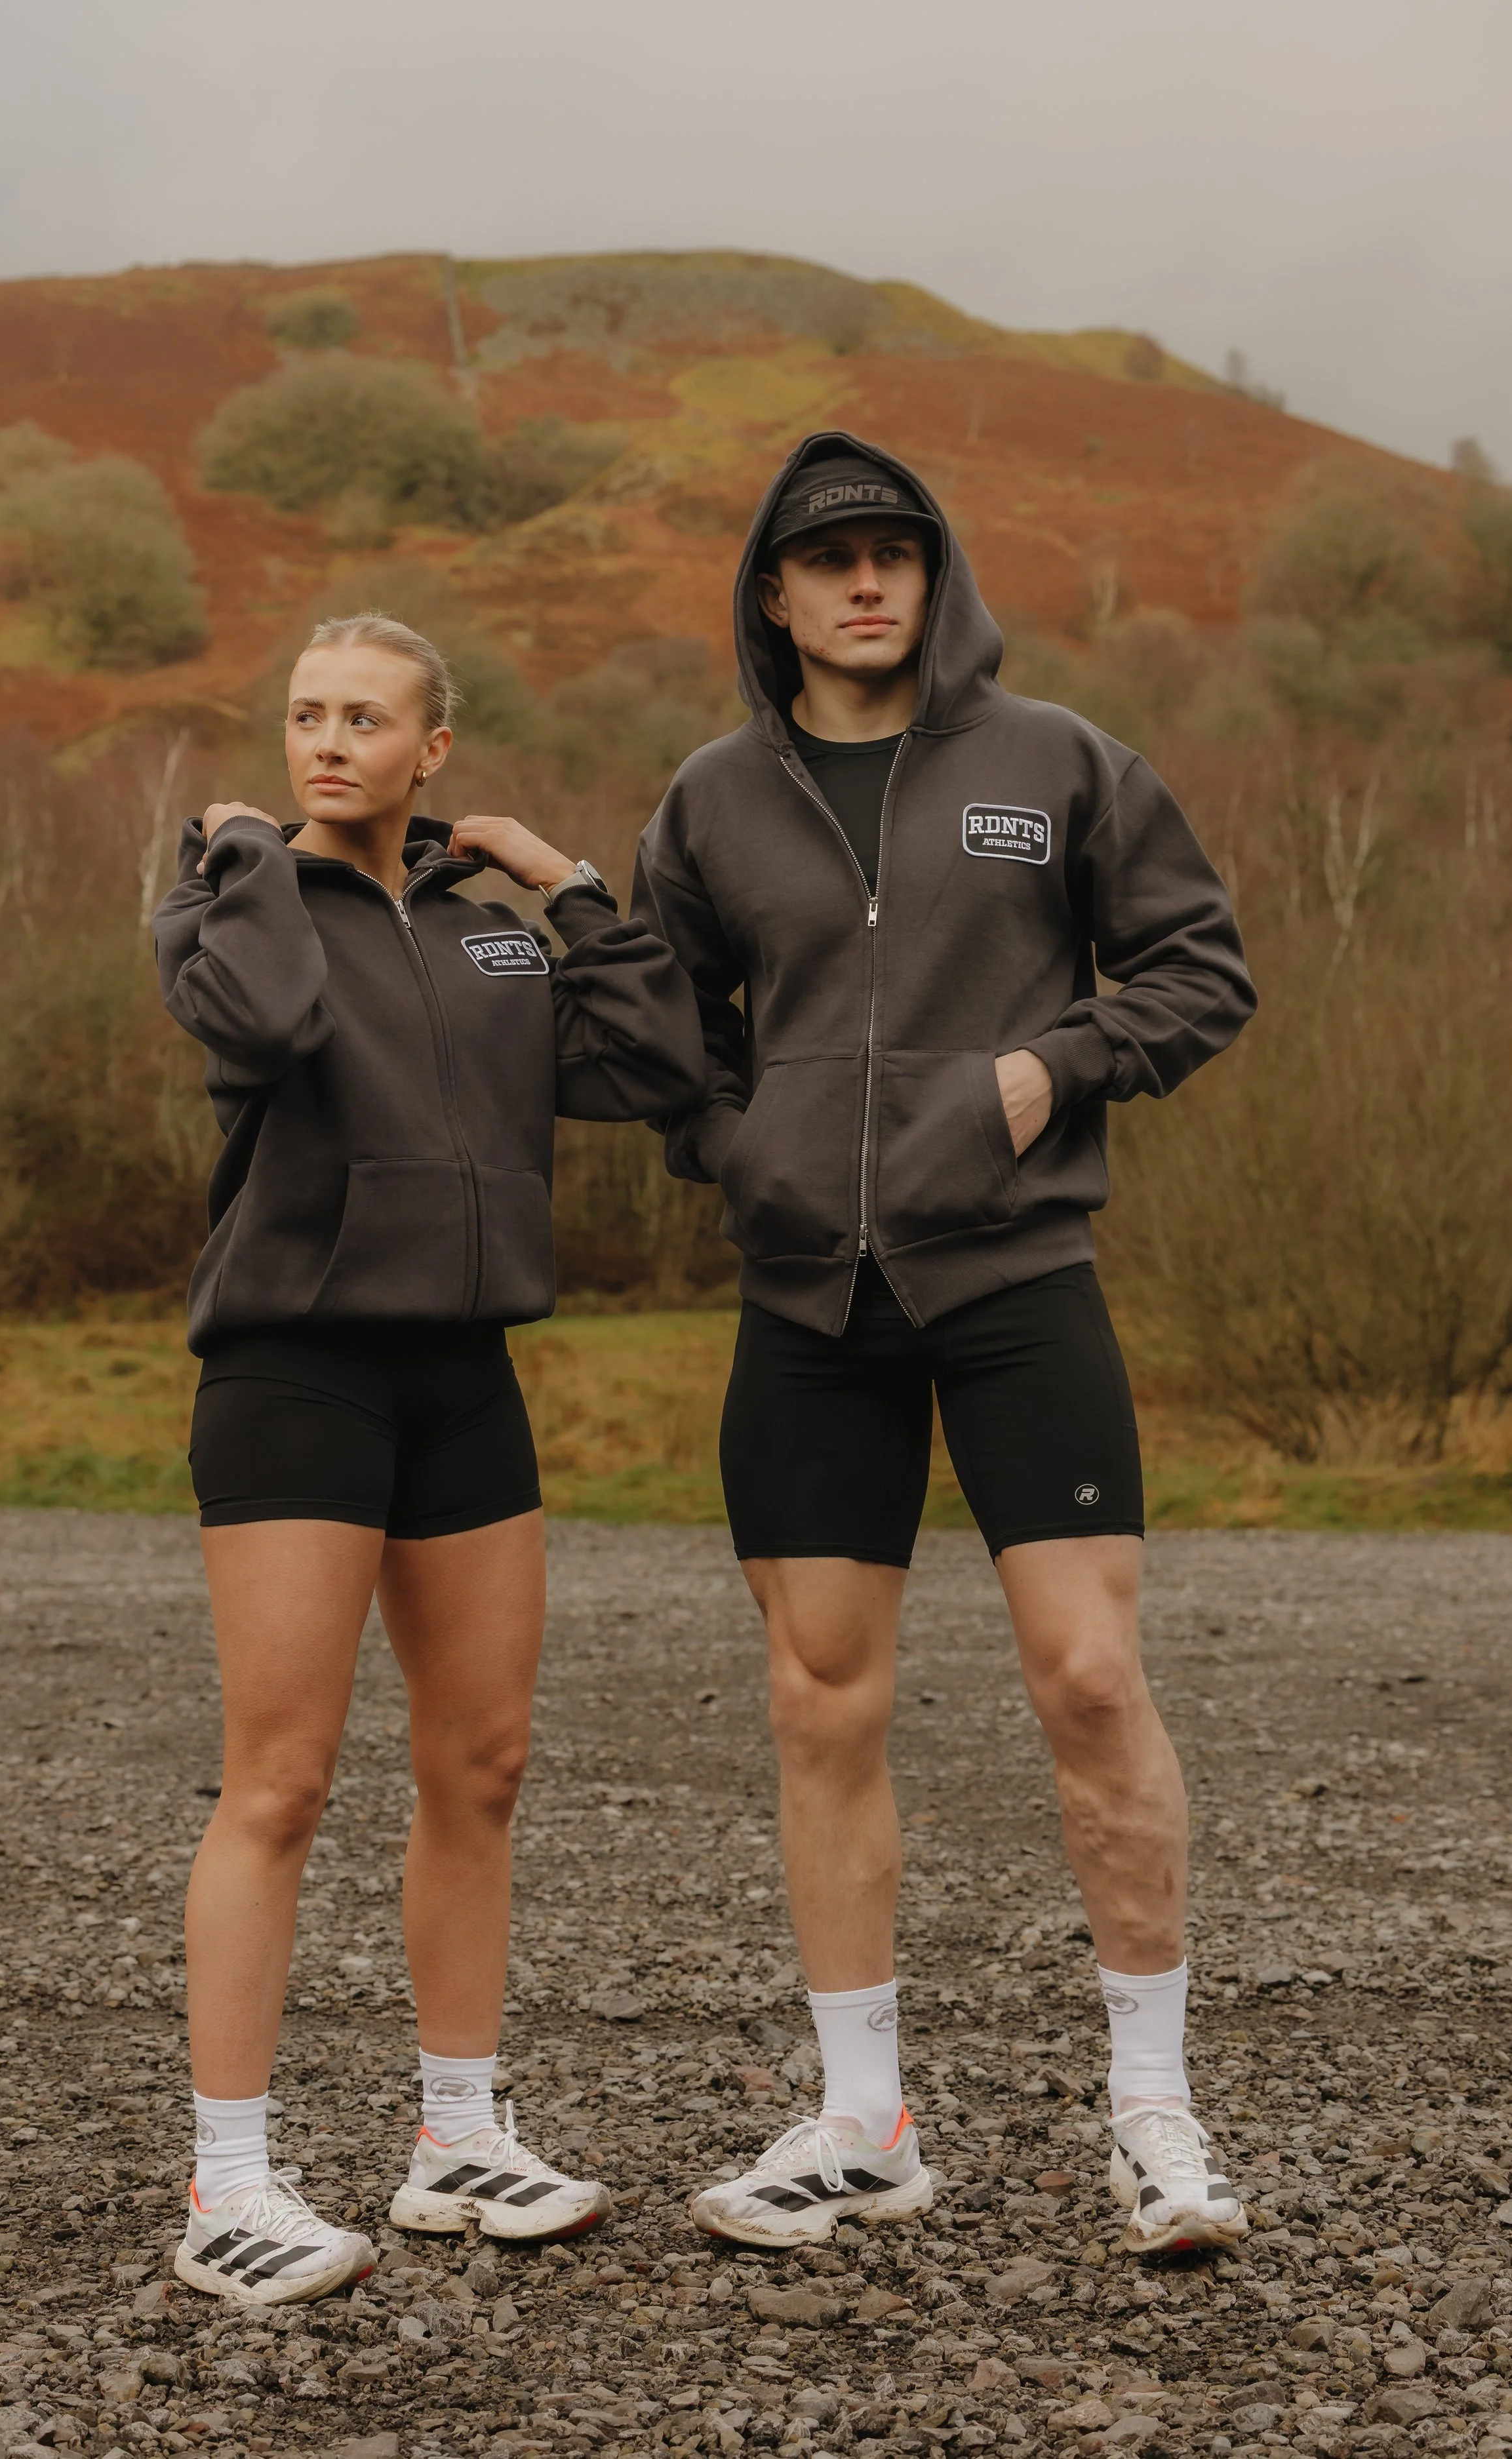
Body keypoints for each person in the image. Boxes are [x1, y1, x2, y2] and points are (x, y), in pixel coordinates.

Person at [632, 435, 1258, 2255]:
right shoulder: (714, 797)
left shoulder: (1054, 761)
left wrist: (1052, 1065)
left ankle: (1155, 2113)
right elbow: (673, 1035)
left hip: (1009, 1283)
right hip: (808, 1303)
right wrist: (736, 1144)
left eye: (894, 551)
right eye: (826, 559)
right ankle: (860, 2117)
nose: (864, 582)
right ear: (772, 591)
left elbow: (1196, 966)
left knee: (1083, 1674)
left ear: (932, 572)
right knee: (820, 1700)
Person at [153, 610, 704, 2304]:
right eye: (306, 711)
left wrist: (572, 892)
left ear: (431, 750)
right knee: (282, 1778)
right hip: (297, 1370)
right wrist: (244, 857)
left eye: (366, 717)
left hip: (464, 1376)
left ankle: (457, 2138)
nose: (326, 740)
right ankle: (227, 2182)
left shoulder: (495, 946)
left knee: (482, 1762)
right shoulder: (231, 899)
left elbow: (662, 1062)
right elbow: (261, 1027)